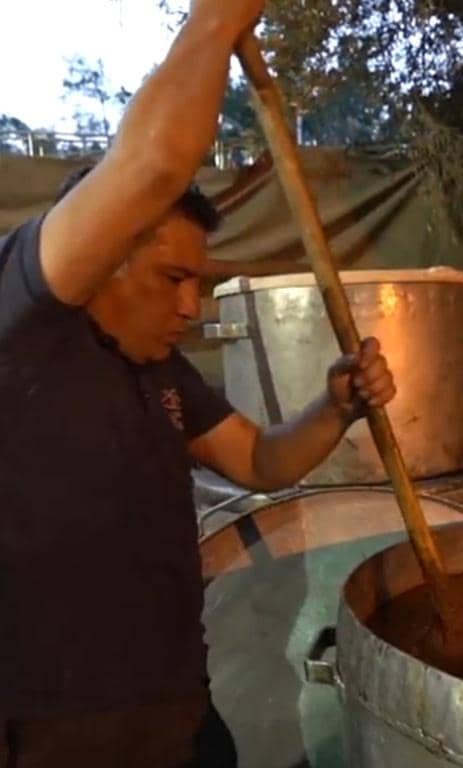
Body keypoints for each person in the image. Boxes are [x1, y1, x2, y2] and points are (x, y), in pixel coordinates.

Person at [0, 1, 397, 765]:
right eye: (173, 278)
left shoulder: (158, 367)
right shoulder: (24, 327)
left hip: (178, 706)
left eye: (201, 282)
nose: (192, 305)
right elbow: (152, 167)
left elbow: (259, 461)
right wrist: (215, 24)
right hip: (55, 728)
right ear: (104, 252)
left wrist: (336, 406)